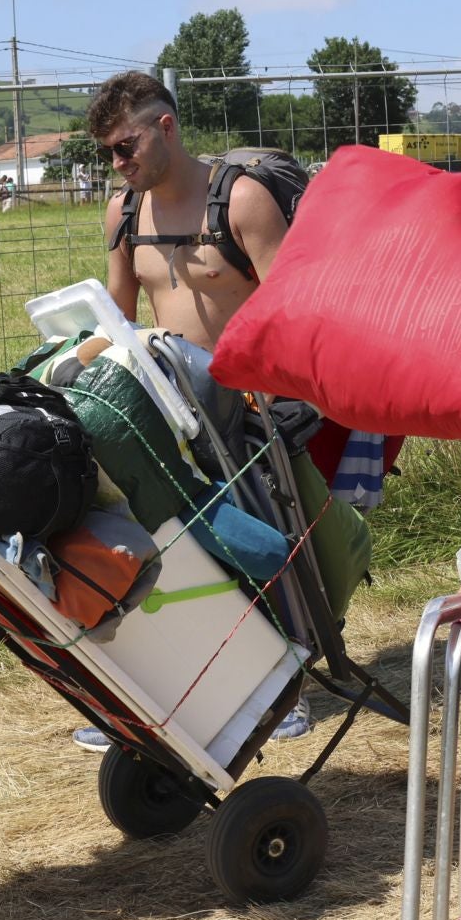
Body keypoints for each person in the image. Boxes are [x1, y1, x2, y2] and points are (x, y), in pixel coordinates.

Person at [72, 70, 310, 750]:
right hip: (167, 404)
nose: (118, 164)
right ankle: (167, 690)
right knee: (162, 549)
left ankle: (281, 687)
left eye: (125, 147)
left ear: (166, 127)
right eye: (110, 154)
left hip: (251, 409)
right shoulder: (123, 213)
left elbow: (292, 308)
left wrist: (274, 399)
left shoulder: (243, 200)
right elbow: (116, 317)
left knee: (258, 548)